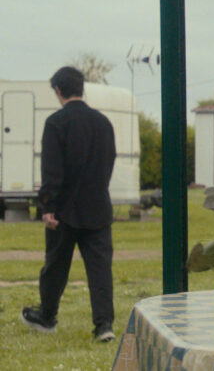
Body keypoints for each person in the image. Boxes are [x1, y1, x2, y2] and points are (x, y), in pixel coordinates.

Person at [21, 66, 118, 343]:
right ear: (82, 88)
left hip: (64, 210)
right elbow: (109, 160)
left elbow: (52, 169)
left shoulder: (56, 123)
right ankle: (104, 324)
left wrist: (48, 206)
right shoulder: (103, 122)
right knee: (100, 269)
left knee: (55, 266)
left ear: (58, 90)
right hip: (98, 206)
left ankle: (47, 316)